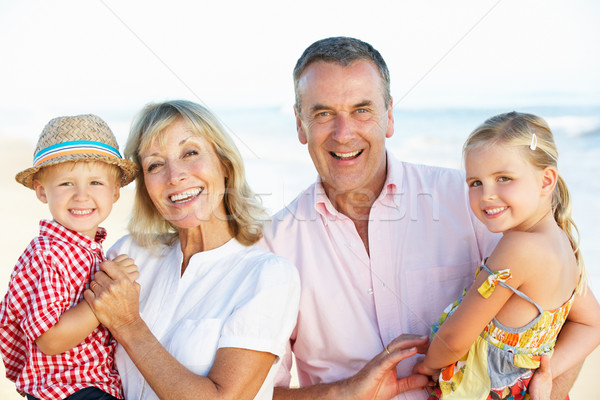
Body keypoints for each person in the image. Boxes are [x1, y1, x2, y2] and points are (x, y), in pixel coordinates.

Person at [260, 36, 592, 400]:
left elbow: (570, 316)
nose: (344, 133)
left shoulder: (475, 202)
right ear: (299, 124)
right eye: (323, 114)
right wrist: (344, 392)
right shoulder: (272, 244)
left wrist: (542, 384)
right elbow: (256, 393)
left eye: (362, 110)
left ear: (389, 116)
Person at [83, 100, 301, 400]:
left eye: (190, 153)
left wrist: (129, 325)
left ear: (224, 164)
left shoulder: (268, 276)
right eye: (155, 165)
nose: (175, 175)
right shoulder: (129, 254)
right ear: (146, 185)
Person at [413, 112, 600, 399]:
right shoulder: (564, 244)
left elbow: (455, 339)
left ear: (546, 181)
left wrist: (428, 365)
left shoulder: (517, 249)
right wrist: (544, 373)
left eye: (504, 178)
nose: (487, 195)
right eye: (475, 182)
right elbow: (592, 324)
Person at [0, 114, 140, 400]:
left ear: (115, 191)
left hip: (90, 386)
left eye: (96, 183)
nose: (81, 196)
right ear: (41, 191)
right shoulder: (49, 254)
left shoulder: (86, 249)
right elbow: (50, 339)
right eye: (66, 184)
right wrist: (105, 298)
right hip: (69, 390)